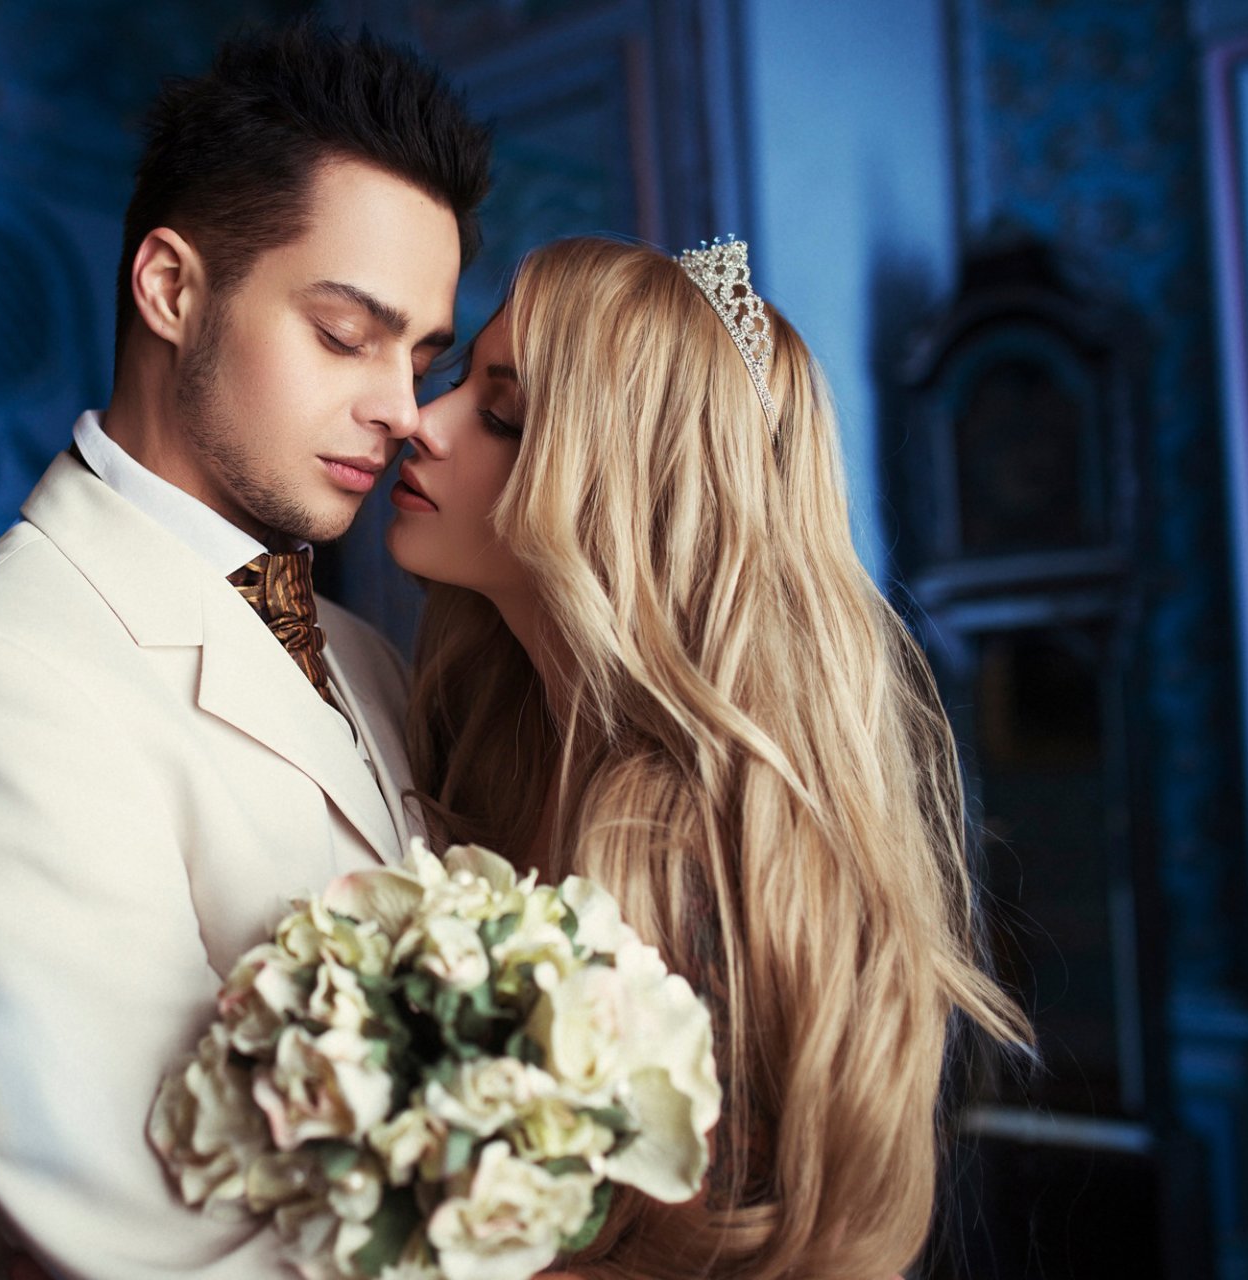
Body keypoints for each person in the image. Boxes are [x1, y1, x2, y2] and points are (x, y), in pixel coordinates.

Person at [0, 24, 490, 1280]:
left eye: (425, 355)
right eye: (347, 333)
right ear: (171, 288)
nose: (404, 410)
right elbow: (158, 1245)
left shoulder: (366, 654)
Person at [387, 235, 1031, 1279]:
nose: (423, 418)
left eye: (502, 413)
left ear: (619, 491)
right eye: (461, 384)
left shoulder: (680, 854)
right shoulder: (486, 740)